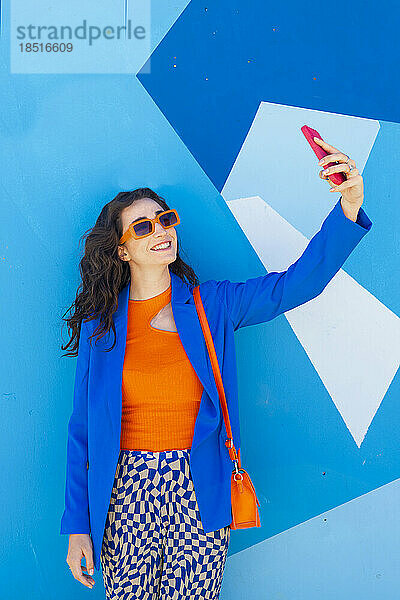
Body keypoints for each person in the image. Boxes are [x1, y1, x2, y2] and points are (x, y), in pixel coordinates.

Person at [60, 138, 373, 599]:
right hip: (124, 493)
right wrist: (77, 526)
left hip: (198, 485)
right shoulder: (100, 328)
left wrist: (349, 205)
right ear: (122, 250)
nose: (160, 231)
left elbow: (296, 285)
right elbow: (81, 431)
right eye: (142, 227)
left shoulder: (214, 306)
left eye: (165, 220)